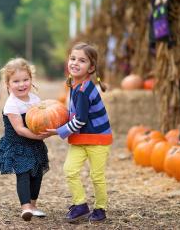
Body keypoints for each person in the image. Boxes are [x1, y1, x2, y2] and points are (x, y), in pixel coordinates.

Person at [45, 42, 113, 223]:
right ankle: (80, 204)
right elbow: (74, 114)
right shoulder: (75, 86)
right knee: (70, 170)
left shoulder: (83, 90)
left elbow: (81, 119)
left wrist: (58, 131)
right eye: (72, 58)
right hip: (82, 137)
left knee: (96, 175)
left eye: (82, 61)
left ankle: (100, 208)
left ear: (91, 68)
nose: (75, 63)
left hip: (98, 139)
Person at [0, 57, 50, 222]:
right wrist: (41, 135)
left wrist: (49, 129)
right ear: (8, 85)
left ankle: (33, 205)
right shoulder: (12, 104)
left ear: (31, 80)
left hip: (35, 144)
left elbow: (41, 120)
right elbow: (20, 129)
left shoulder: (35, 100)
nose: (22, 84)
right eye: (16, 81)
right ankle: (25, 207)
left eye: (26, 79)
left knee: (37, 174)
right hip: (18, 145)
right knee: (24, 174)